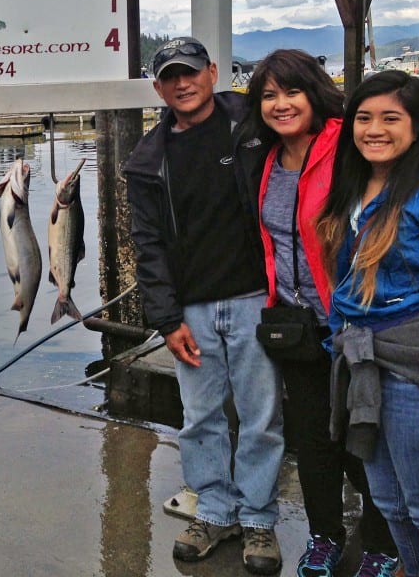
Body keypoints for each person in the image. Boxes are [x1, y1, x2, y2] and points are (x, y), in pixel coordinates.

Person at [123, 37, 284, 575]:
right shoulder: (147, 159)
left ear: (214, 73)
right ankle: (215, 510)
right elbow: (147, 245)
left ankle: (258, 517)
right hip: (191, 310)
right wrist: (166, 320)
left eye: (191, 72)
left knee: (261, 418)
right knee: (199, 418)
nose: (182, 83)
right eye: (170, 76)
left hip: (254, 299)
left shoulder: (255, 128)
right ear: (158, 87)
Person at [244, 50, 399, 577]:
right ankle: (324, 538)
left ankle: (382, 543)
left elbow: (407, 187)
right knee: (311, 440)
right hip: (297, 327)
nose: (281, 105)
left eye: (291, 92)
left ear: (314, 92)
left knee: (365, 440)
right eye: (268, 95)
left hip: (355, 325)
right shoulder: (267, 159)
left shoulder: (345, 146)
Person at [315, 71, 419, 577]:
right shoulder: (353, 189)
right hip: (360, 358)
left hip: (410, 369)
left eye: (390, 118)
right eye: (363, 118)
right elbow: (343, 280)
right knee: (385, 498)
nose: (374, 129)